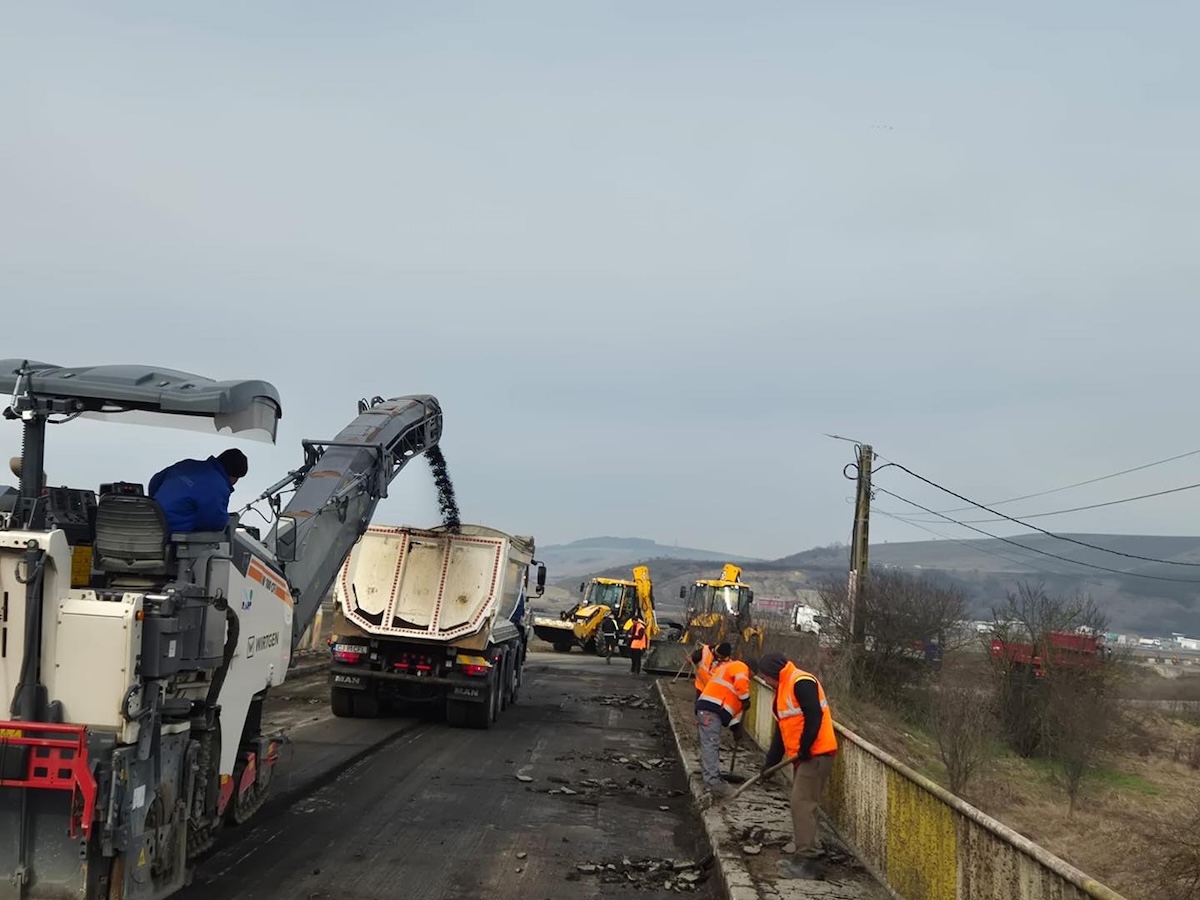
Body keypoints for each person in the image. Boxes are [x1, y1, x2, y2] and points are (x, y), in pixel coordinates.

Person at [758, 652, 839, 880]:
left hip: (816, 754)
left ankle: (807, 862)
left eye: (765, 677)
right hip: (805, 756)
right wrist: (769, 764)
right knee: (802, 803)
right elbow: (781, 733)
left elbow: (814, 714)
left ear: (774, 674)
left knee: (801, 804)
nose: (764, 682)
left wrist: (805, 747)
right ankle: (805, 854)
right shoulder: (783, 688)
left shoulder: (800, 681)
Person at [694, 654, 758, 799]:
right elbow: (742, 684)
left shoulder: (730, 675)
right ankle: (712, 781)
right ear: (751, 669)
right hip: (710, 711)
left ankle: (710, 775)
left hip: (710, 711)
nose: (751, 679)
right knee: (711, 744)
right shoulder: (740, 667)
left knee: (710, 743)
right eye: (752, 676)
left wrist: (736, 728)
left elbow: (731, 709)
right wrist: (746, 698)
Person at [148, 448, 249, 536]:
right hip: (169, 534)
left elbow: (155, 482)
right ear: (235, 477)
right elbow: (213, 522)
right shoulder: (218, 486)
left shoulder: (187, 465)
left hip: (145, 522)